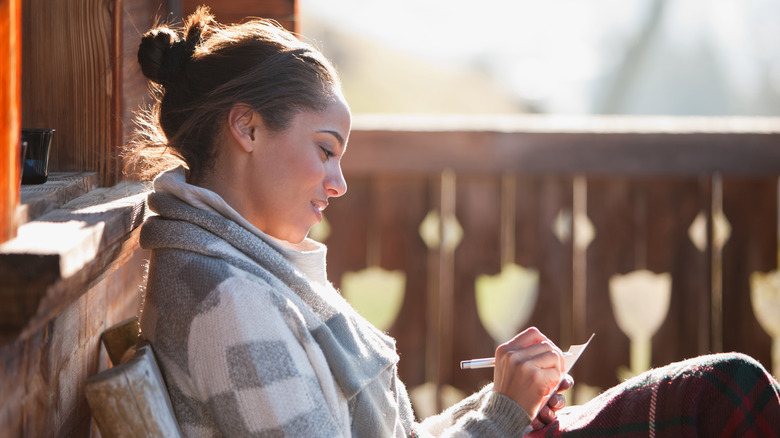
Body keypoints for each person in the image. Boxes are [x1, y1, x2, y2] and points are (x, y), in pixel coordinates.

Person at [129, 7, 780, 437]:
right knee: (729, 398)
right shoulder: (227, 303)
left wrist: (503, 401)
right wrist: (502, 413)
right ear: (247, 127)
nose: (339, 181)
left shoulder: (236, 267)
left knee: (729, 392)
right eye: (325, 148)